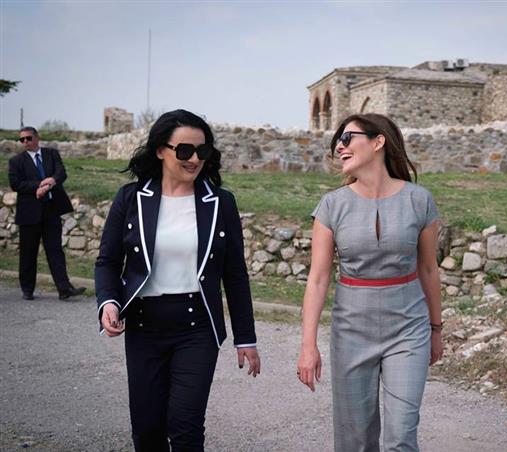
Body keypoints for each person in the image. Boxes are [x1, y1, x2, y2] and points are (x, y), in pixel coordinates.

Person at [95, 109, 260, 451]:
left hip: (197, 328)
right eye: (184, 150)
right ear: (160, 150)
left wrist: (245, 337)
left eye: (202, 151)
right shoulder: (131, 198)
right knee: (147, 429)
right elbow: (108, 262)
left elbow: (235, 274)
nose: (195, 159)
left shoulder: (220, 203)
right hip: (143, 328)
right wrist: (108, 302)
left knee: (185, 426)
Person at [296, 113, 444, 451]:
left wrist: (436, 330)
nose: (340, 146)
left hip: (408, 329)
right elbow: (318, 279)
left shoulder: (419, 200)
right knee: (355, 441)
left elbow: (428, 269)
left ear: (378, 142)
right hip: (351, 331)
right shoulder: (331, 206)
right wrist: (308, 346)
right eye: (338, 141)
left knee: (401, 437)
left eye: (348, 138)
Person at [8, 126, 86, 301]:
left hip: (51, 210)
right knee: (28, 253)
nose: (25, 142)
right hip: (29, 213)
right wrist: (39, 186)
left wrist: (52, 181)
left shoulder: (51, 154)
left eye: (28, 138)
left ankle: (64, 289)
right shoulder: (16, 161)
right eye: (22, 140)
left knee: (55, 251)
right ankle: (27, 289)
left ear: (37, 138)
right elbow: (15, 184)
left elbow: (61, 173)